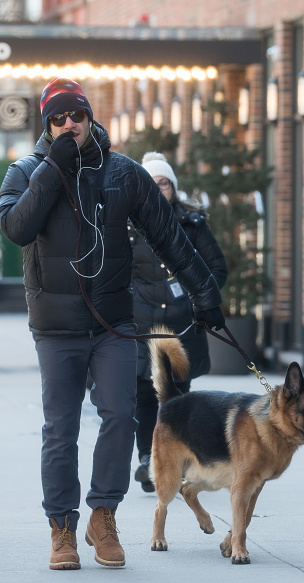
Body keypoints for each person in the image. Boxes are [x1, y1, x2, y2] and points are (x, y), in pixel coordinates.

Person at [0, 78, 225, 571]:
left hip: (113, 324)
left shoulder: (122, 173)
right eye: (58, 118)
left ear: (89, 116)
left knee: (121, 416)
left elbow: (169, 237)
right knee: (61, 428)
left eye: (76, 115)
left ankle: (104, 516)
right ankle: (62, 529)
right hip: (56, 329)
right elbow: (16, 228)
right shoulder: (25, 171)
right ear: (47, 124)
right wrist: (52, 170)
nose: (69, 124)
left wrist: (206, 294)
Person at [129, 152, 228, 492]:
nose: (158, 190)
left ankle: (179, 457)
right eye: (151, 183)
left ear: (173, 186)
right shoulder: (128, 224)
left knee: (180, 396)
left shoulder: (193, 223)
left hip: (185, 323)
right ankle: (147, 458)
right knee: (145, 392)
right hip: (142, 325)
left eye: (164, 183)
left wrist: (198, 298)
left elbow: (216, 268)